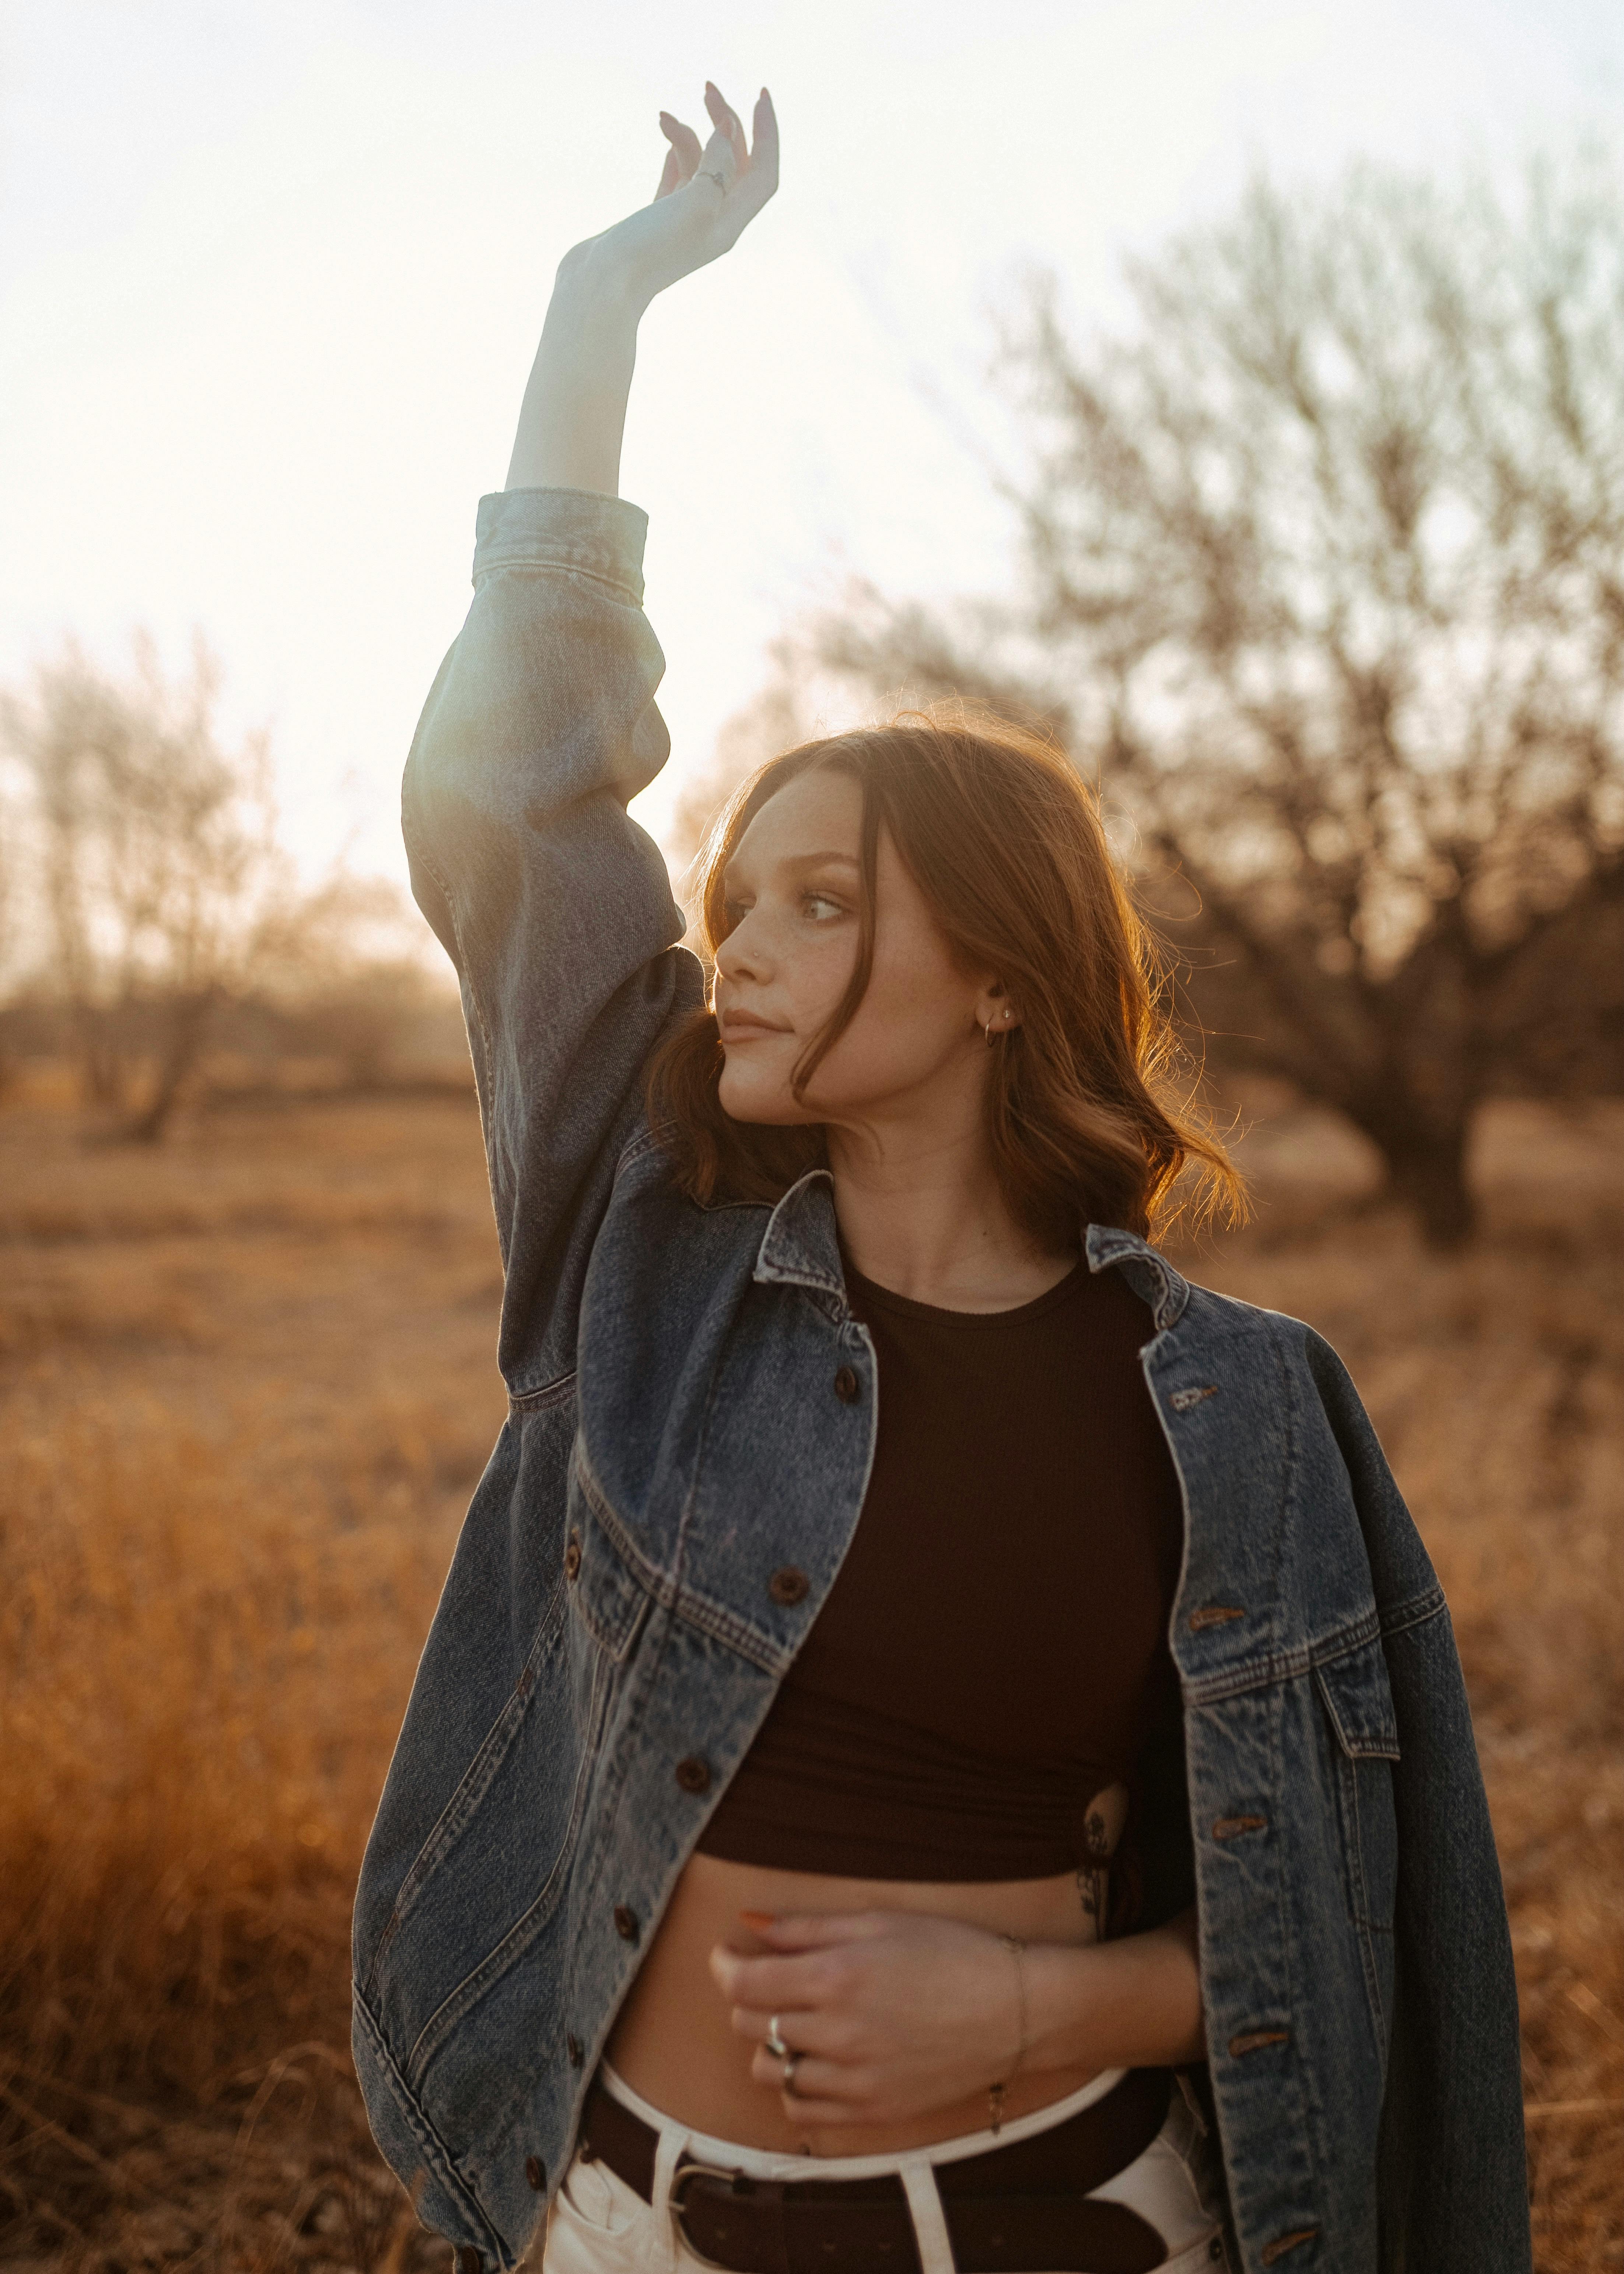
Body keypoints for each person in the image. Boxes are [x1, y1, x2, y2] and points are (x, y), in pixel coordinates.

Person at [350, 81, 1532, 2274]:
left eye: (821, 903)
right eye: (741, 896)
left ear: (997, 972)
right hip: (621, 2225)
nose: (748, 954)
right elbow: (518, 795)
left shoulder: (1251, 1406)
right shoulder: (647, 1263)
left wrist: (1049, 1998)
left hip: (1071, 2220)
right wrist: (595, 305)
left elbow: (1372, 1931)